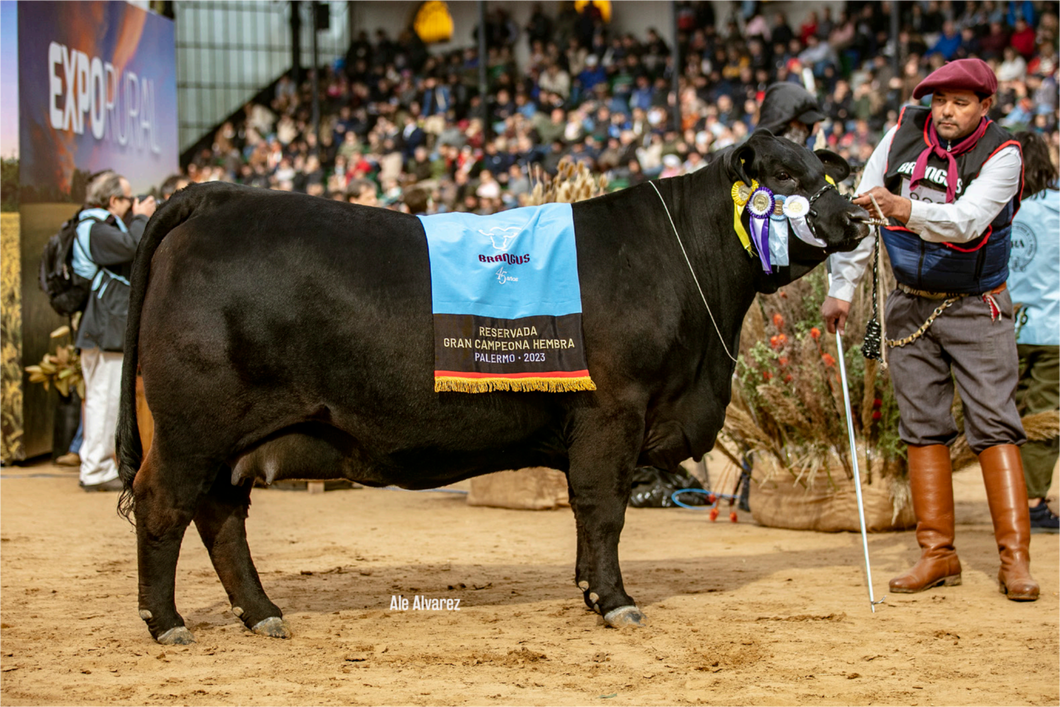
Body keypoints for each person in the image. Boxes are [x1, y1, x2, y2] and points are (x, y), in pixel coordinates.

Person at [821, 58, 1039, 601]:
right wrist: (842, 288)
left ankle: (1016, 563)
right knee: (922, 429)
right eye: (940, 100)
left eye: (961, 102)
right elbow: (864, 210)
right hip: (908, 305)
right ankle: (937, 554)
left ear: (985, 108)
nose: (946, 111)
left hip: (976, 305)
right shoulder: (899, 136)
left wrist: (904, 208)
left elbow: (966, 221)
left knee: (994, 425)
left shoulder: (1004, 153)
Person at [74, 172, 156, 492]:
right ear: (112, 201)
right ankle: (96, 470)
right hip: (103, 327)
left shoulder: (94, 226)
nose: (132, 204)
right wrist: (140, 218)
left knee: (100, 399)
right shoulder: (95, 228)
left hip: (100, 326)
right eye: (127, 199)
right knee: (104, 400)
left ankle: (94, 465)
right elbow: (133, 246)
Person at [1007, 131, 1060, 533]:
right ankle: (1032, 503)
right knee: (1043, 417)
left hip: (1003, 327)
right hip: (1053, 330)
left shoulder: (1000, 208)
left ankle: (1006, 497)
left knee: (1005, 416)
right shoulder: (1057, 208)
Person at [756, 82, 826, 145]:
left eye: (808, 125)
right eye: (799, 123)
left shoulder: (806, 156)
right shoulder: (751, 155)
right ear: (781, 122)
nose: (805, 129)